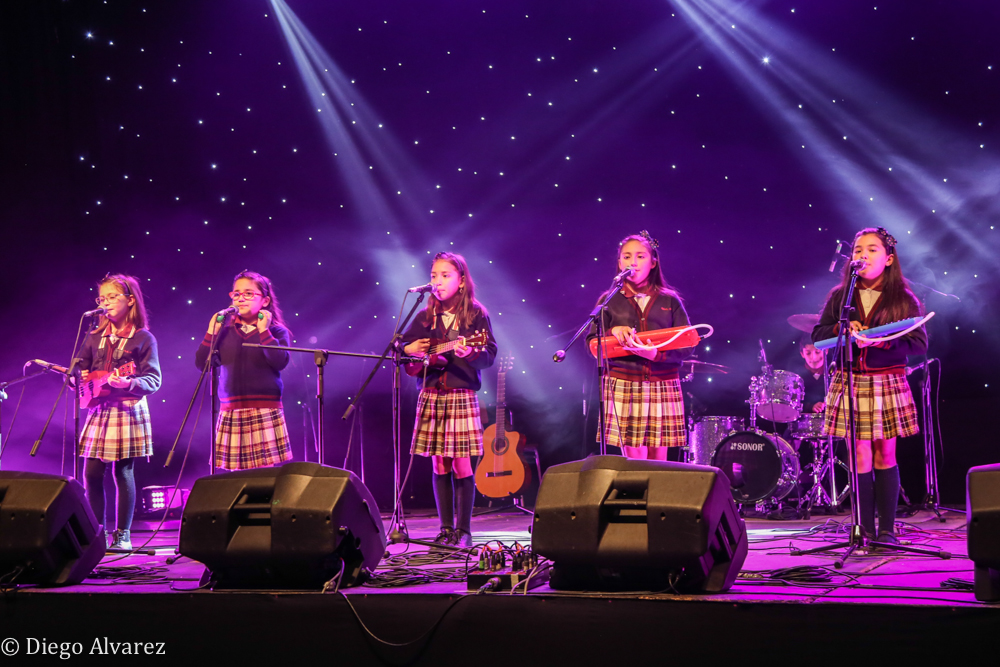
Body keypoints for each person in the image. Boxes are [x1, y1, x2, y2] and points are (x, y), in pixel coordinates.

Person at [812, 227, 926, 546]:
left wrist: (881, 341)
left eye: (872, 249)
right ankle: (863, 529)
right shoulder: (840, 296)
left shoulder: (903, 298)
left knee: (884, 453)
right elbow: (818, 334)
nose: (863, 254)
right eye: (858, 249)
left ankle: (887, 531)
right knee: (858, 454)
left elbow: (919, 343)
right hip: (850, 378)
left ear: (888, 259)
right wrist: (840, 328)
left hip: (886, 379)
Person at [401, 252, 497, 548]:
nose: (438, 281)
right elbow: (402, 349)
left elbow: (489, 354)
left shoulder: (476, 314)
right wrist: (408, 348)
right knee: (439, 464)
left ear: (462, 280)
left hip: (460, 394)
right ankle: (445, 529)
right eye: (434, 276)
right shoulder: (424, 316)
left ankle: (463, 530)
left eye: (445, 275)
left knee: (461, 465)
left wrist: (471, 352)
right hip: (431, 393)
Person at [587, 230, 692, 461]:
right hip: (624, 383)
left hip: (662, 382)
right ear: (619, 263)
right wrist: (613, 331)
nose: (632, 262)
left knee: (658, 462)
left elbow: (687, 345)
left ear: (653, 262)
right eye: (626, 256)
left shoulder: (670, 300)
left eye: (640, 256)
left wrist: (656, 355)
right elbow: (593, 343)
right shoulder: (608, 300)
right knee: (634, 462)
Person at [79, 274, 161, 551]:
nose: (105, 302)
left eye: (112, 297)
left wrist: (128, 383)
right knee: (91, 472)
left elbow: (153, 380)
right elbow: (80, 369)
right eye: (102, 298)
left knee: (123, 471)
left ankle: (122, 534)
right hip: (100, 408)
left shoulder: (143, 338)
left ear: (130, 300)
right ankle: (96, 534)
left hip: (127, 408)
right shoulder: (93, 337)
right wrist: (81, 379)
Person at [195, 271, 293, 471]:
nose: (241, 298)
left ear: (265, 301)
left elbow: (279, 361)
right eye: (236, 294)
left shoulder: (276, 331)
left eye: (248, 293)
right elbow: (202, 363)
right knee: (236, 476)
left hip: (264, 407)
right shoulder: (225, 332)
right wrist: (212, 331)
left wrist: (263, 330)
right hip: (231, 408)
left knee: (265, 473)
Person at [798, 336, 827, 415]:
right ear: (802, 354)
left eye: (817, 352)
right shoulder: (798, 377)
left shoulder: (834, 372)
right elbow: (793, 404)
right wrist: (810, 407)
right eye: (808, 353)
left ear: (826, 350)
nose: (813, 357)